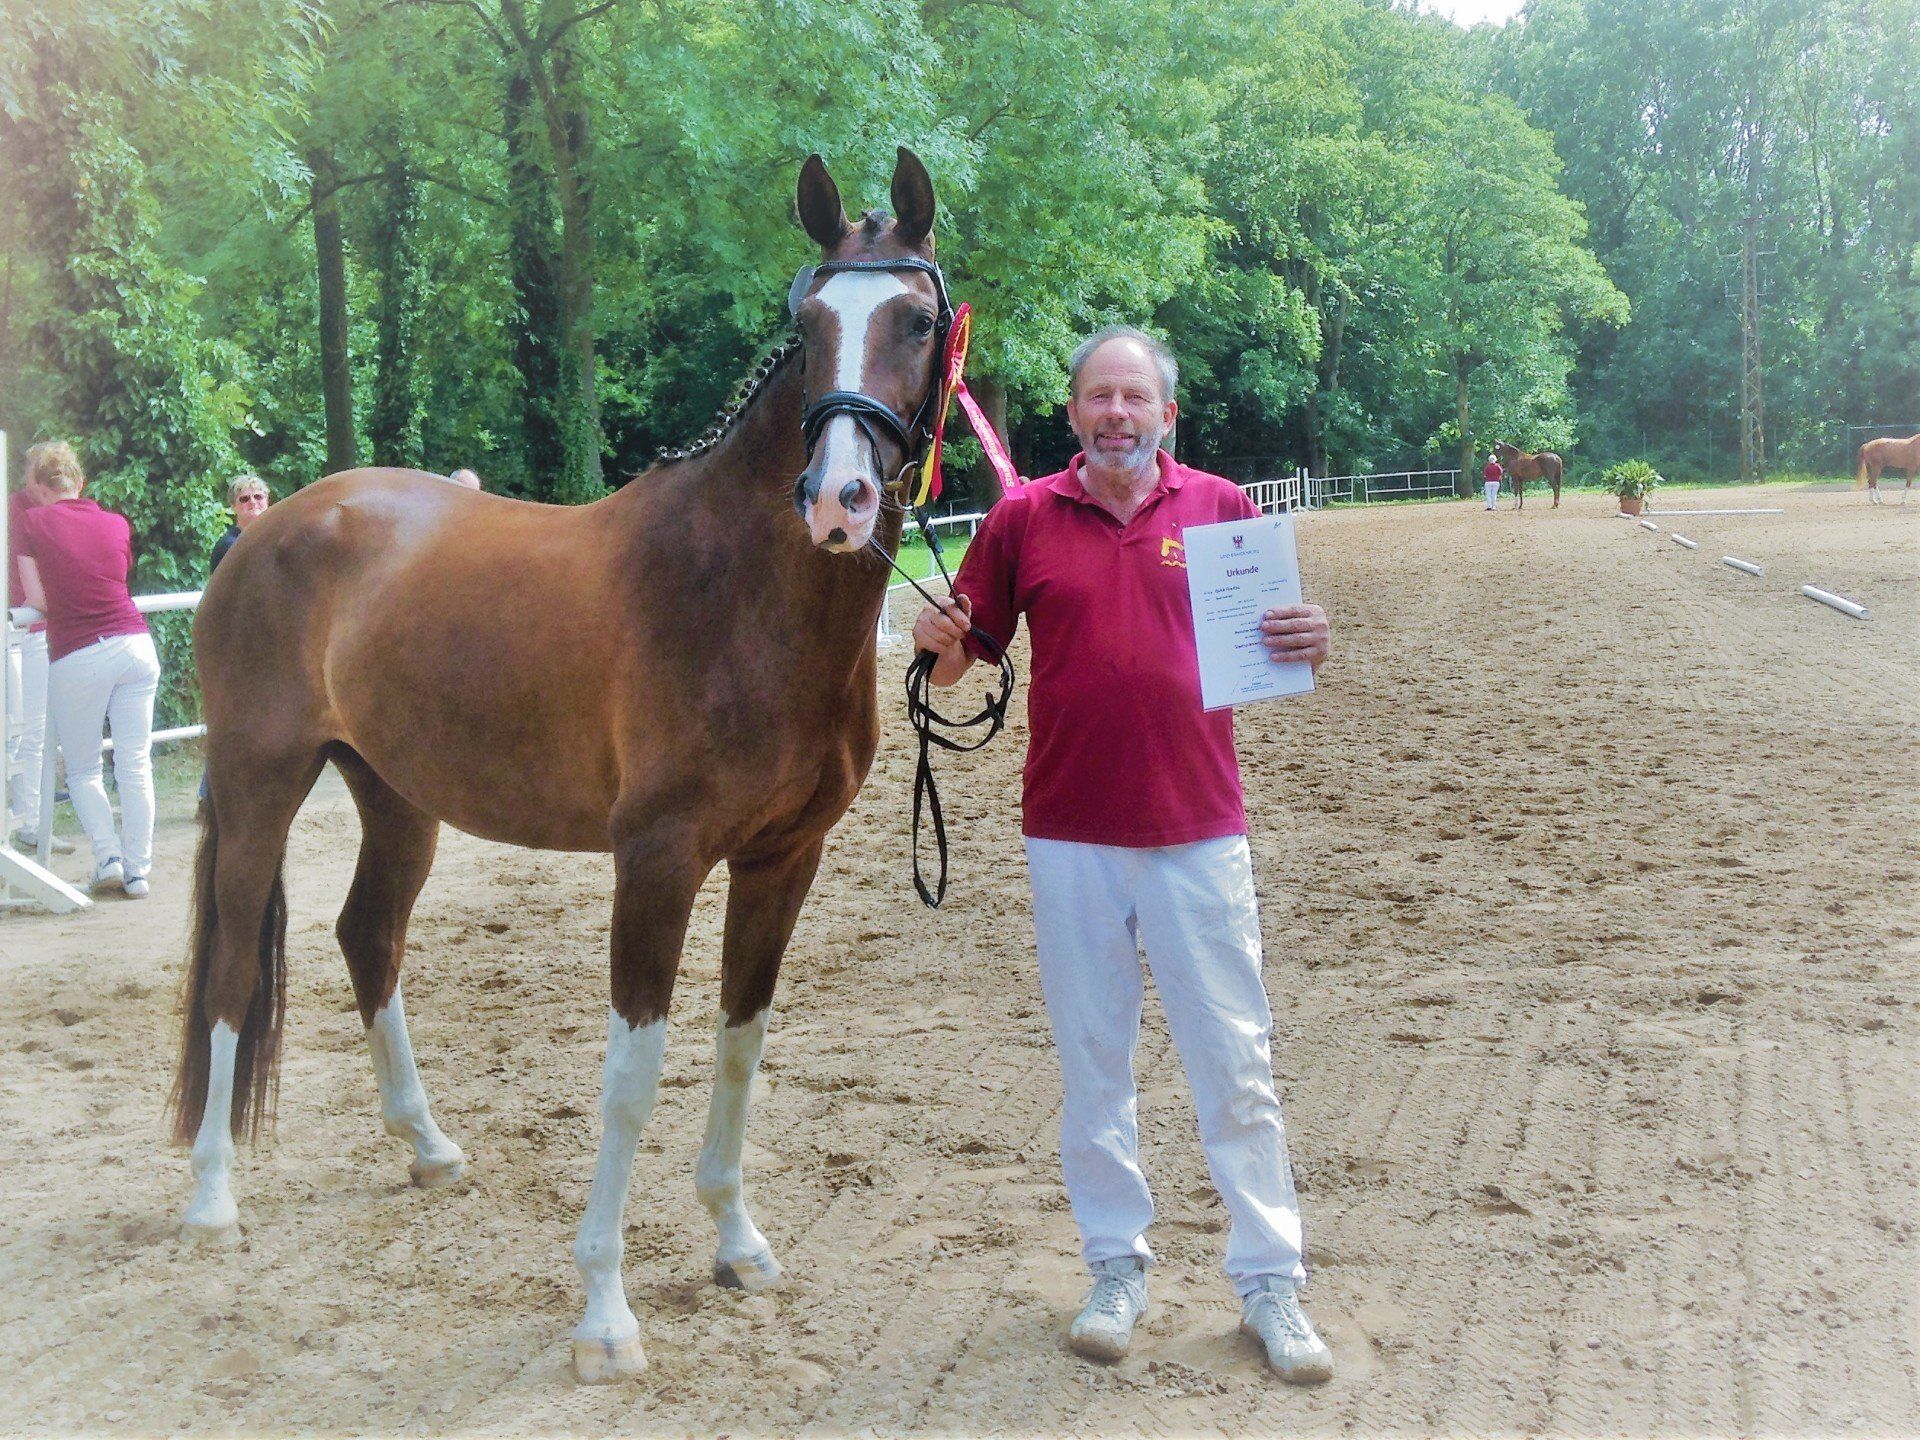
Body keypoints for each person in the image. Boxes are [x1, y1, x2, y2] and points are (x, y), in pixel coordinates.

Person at [912, 326, 1335, 1383]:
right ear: (1073, 414)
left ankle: (1270, 1280)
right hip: (1070, 835)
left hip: (1200, 829)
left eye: (1133, 397)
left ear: (1165, 415)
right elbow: (965, 663)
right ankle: (1114, 1266)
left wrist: (1306, 640)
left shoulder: (1225, 511)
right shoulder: (1021, 521)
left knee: (1235, 1061)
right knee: (1095, 1064)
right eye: (1098, 396)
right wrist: (940, 644)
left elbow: (1275, 642)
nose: (1116, 414)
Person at [15, 442, 161, 897]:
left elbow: (37, 602)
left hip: (78, 653)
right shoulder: (116, 522)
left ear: (39, 486)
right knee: (135, 764)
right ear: (79, 483)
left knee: (82, 770)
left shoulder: (30, 521)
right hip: (136, 645)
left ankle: (109, 858)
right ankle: (139, 872)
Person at [6, 464, 74, 853]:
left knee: (32, 731)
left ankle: (28, 821)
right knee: (25, 731)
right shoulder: (26, 515)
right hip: (21, 631)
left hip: (30, 630)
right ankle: (24, 822)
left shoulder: (36, 515)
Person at [209, 474, 270, 573]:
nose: (253, 502)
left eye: (258, 497)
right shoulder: (229, 546)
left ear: (267, 501)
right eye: (245, 499)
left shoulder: (273, 539)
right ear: (233, 506)